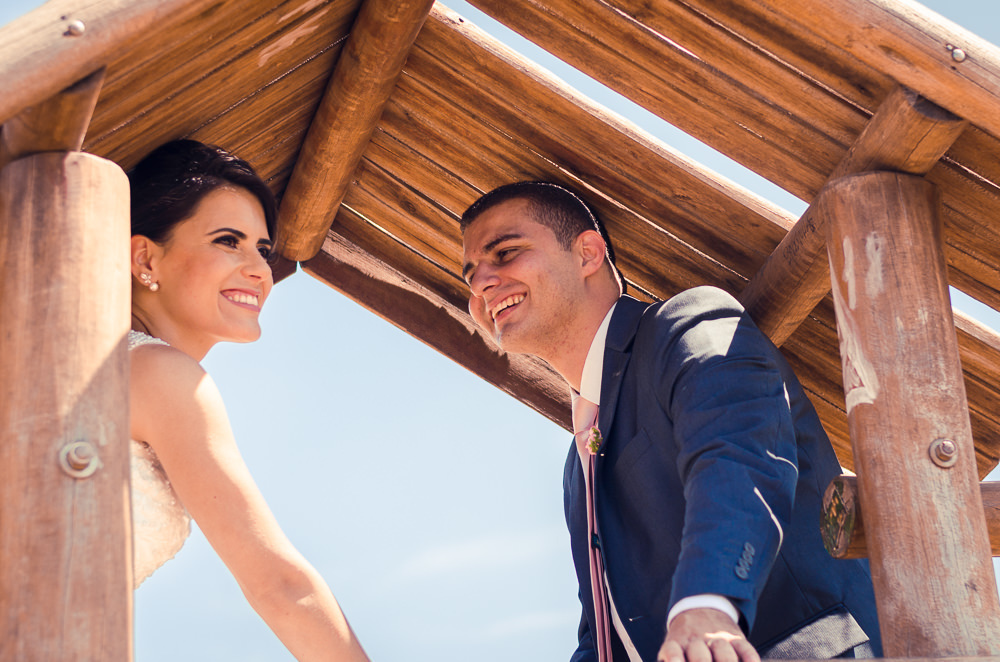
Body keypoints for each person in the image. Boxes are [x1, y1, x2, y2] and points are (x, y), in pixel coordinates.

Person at [459, 181, 881, 662]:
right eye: (470, 275)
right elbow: (602, 634)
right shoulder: (578, 467)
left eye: (506, 253)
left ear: (587, 254)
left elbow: (741, 458)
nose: (481, 283)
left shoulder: (687, 324)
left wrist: (709, 604)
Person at [128, 139, 369, 662]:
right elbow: (280, 585)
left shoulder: (104, 368)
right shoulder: (161, 374)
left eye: (261, 248)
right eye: (226, 241)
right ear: (145, 257)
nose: (260, 270)